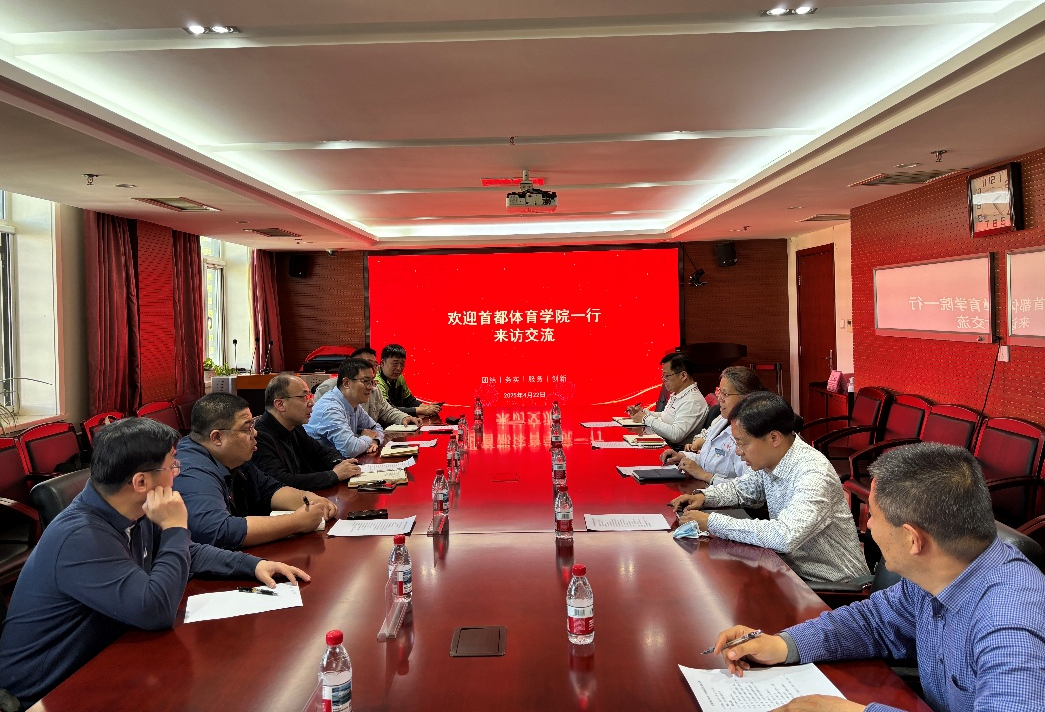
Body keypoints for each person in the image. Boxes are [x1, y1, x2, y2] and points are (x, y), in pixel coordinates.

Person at [708, 442, 1045, 712]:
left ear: (913, 539)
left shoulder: (1011, 624)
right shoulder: (940, 571)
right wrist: (782, 645)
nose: (867, 526)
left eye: (873, 516)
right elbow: (873, 621)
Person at [0, 418, 309, 706]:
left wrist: (252, 565)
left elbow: (188, 552)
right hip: (48, 691)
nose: (178, 471)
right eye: (172, 464)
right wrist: (175, 527)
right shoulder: (80, 536)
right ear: (140, 482)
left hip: (109, 656)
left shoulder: (134, 507)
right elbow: (155, 610)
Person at [670, 392, 868, 583]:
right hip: (787, 570)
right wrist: (704, 497)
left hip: (832, 587)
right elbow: (745, 489)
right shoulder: (773, 458)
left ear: (774, 438)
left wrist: (712, 522)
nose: (738, 452)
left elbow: (784, 536)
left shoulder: (813, 473)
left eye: (742, 444)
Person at [174, 393, 338, 549]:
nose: (255, 433)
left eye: (253, 425)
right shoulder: (191, 470)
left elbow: (268, 489)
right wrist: (297, 522)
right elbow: (218, 530)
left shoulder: (233, 456)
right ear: (217, 437)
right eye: (247, 428)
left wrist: (312, 499)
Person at [253, 373, 364, 490]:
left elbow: (322, 452)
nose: (312, 403)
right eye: (304, 397)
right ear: (280, 404)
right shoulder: (259, 437)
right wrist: (334, 475)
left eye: (310, 396)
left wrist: (338, 464)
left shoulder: (295, 427)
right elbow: (280, 481)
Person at [662, 366, 766, 484]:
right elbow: (708, 459)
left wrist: (706, 476)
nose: (719, 398)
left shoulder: (753, 433)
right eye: (719, 392)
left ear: (746, 397)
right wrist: (682, 456)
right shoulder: (721, 420)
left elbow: (750, 487)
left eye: (725, 394)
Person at [315, 347, 423, 428]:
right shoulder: (328, 388)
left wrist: (404, 417)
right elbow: (329, 429)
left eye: (375, 365)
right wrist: (367, 437)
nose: (373, 369)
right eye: (368, 363)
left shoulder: (374, 388)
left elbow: (386, 411)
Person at [626, 352, 708, 448]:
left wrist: (645, 418)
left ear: (683, 375)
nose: (664, 380)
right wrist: (643, 413)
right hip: (664, 443)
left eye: (667, 376)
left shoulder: (692, 401)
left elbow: (676, 435)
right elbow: (665, 416)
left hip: (675, 451)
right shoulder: (679, 394)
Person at [306, 357, 385, 457]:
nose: (371, 387)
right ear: (346, 383)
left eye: (372, 382)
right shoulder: (330, 408)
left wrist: (375, 441)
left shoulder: (354, 405)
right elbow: (350, 450)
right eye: (366, 381)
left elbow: (376, 427)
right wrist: (367, 438)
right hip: (318, 465)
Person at [376, 343, 442, 417]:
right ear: (382, 363)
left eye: (402, 364)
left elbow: (409, 400)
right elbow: (388, 409)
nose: (399, 368)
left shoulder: (399, 377)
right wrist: (422, 410)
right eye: (395, 364)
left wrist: (426, 407)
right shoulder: (376, 381)